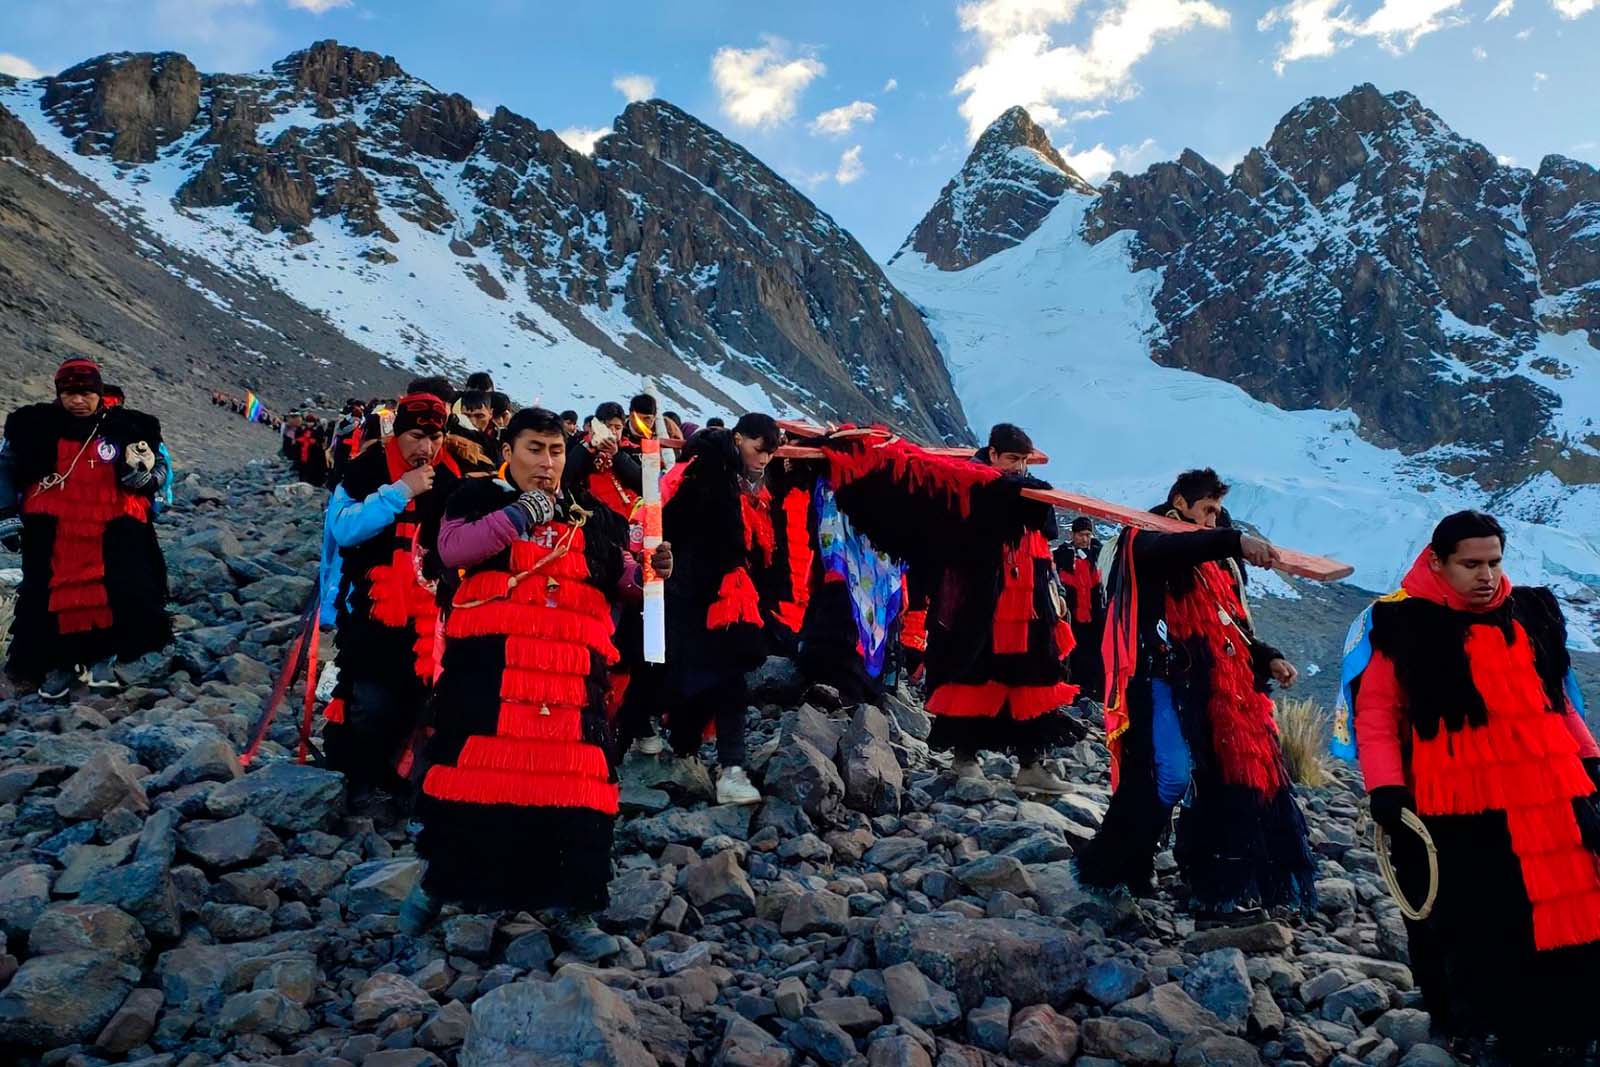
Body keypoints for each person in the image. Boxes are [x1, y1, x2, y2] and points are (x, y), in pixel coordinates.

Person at [401, 407, 672, 958]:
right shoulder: (476, 499)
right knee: (473, 777)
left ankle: (572, 907)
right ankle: (439, 890)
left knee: (572, 788)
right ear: (509, 449)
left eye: (554, 451)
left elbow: (619, 577)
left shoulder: (591, 515)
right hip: (490, 676)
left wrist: (653, 568)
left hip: (570, 681)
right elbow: (455, 552)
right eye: (533, 450)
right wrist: (521, 514)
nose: (546, 463)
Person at [1338, 511, 1600, 1055]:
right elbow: (1379, 715)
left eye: (1495, 562)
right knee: (1484, 906)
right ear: (1437, 562)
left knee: (1569, 898)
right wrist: (1384, 788)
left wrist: (1591, 759)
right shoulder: (1401, 624)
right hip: (1460, 795)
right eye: (1471, 564)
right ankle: (1488, 1023)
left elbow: (1556, 699)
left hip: (1549, 785)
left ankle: (1572, 1017)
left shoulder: (1530, 614)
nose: (1486, 575)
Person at [1075, 468, 1315, 919]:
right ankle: (1113, 867)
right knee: (1167, 776)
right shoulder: (1139, 540)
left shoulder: (1214, 560)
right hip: (1159, 681)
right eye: (1207, 510)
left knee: (1222, 783)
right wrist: (1231, 541)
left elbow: (1231, 626)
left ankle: (1211, 887)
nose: (1212, 520)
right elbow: (1172, 548)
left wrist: (1268, 657)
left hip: (1216, 685)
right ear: (1180, 503)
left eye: (1218, 513)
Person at [0, 358, 171, 700]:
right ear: (58, 393)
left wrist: (146, 478)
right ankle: (60, 663)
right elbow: (5, 468)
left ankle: (108, 659)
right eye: (70, 393)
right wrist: (6, 514)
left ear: (99, 392)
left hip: (115, 523)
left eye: (86, 393)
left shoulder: (130, 426)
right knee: (50, 593)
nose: (78, 401)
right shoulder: (31, 426)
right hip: (51, 525)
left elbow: (160, 466)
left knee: (121, 588)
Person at [322, 393, 459, 810]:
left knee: (419, 698)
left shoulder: (449, 477)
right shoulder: (364, 470)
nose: (427, 448)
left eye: (435, 438)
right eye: (418, 436)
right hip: (369, 606)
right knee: (369, 697)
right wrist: (399, 492)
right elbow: (342, 530)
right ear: (398, 433)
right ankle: (359, 776)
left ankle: (401, 780)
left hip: (427, 612)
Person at [659, 415, 783, 805]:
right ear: (737, 438)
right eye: (758, 449)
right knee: (713, 678)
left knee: (728, 679)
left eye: (769, 453)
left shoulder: (739, 482)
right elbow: (673, 527)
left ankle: (724, 765)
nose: (763, 459)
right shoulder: (709, 478)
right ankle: (712, 763)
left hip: (718, 595)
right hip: (700, 594)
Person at [1055, 517, 1106, 703]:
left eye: (1088, 535)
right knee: (1075, 657)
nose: (1085, 539)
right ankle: (1076, 695)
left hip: (1095, 617)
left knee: (1097, 657)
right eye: (1081, 535)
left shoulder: (1099, 554)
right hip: (1073, 617)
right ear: (1073, 535)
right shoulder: (1062, 555)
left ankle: (1098, 695)